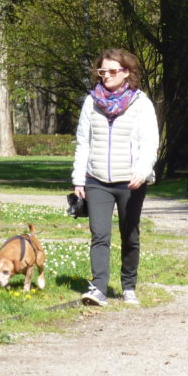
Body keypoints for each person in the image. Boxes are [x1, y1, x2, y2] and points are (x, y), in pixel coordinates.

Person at [72, 48, 158, 306]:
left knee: (129, 235)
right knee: (99, 234)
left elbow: (149, 141)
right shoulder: (91, 101)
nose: (106, 76)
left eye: (112, 71)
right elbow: (82, 143)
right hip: (96, 180)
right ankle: (98, 288)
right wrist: (79, 178)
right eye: (102, 71)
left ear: (127, 73)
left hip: (130, 181)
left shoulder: (140, 103)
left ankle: (128, 285)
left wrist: (142, 172)